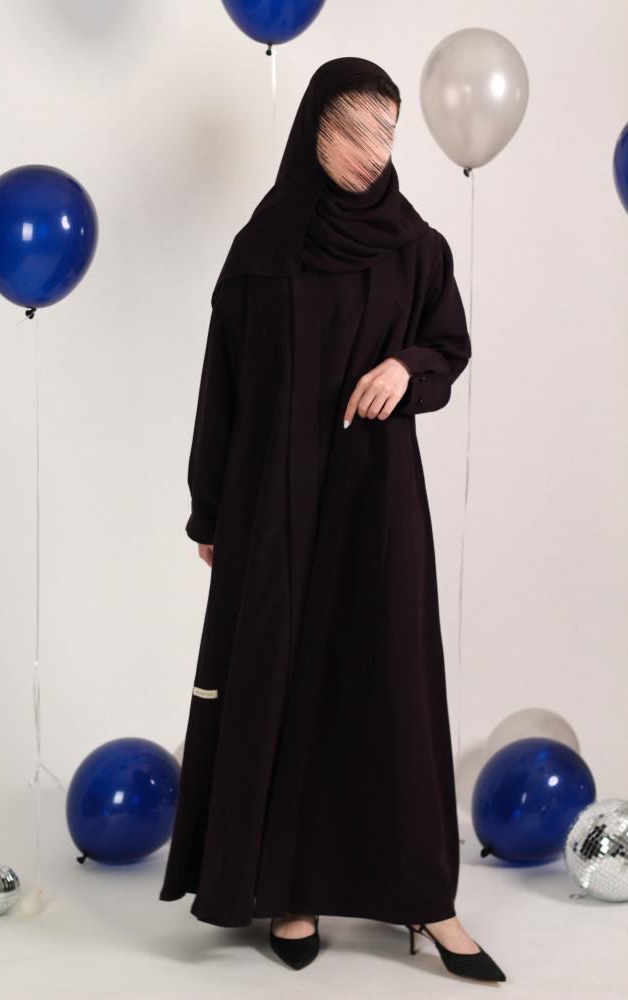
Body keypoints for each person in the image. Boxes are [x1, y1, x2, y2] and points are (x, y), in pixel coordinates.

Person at [159, 56, 506, 983]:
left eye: (387, 132)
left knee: (390, 681)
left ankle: (427, 899)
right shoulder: (261, 248)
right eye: (354, 130)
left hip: (375, 501)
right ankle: (291, 887)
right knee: (282, 681)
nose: (371, 152)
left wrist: (406, 368)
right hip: (271, 502)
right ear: (314, 127)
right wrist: (208, 512)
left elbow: (448, 344)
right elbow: (222, 389)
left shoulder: (416, 246)